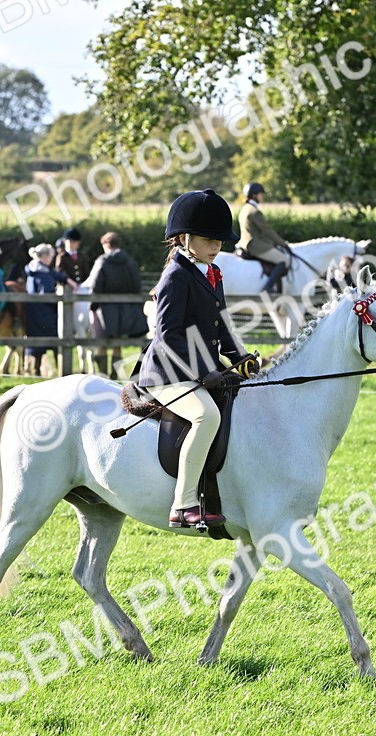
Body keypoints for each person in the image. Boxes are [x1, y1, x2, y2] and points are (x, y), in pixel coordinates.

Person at [138, 188, 260, 529]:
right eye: (209, 239)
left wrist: (240, 358)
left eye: (220, 239)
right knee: (206, 416)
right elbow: (169, 336)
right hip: (168, 374)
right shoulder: (176, 276)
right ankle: (183, 503)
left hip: (199, 371)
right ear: (185, 238)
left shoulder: (210, 272)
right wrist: (204, 371)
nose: (216, 245)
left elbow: (221, 326)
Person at [83, 231, 149, 378]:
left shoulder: (102, 261)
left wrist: (93, 305)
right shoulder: (130, 261)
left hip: (104, 310)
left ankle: (101, 376)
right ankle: (114, 376)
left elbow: (95, 285)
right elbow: (136, 286)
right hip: (126, 310)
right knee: (117, 344)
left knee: (102, 343)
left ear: (106, 244)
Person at [24, 243, 78, 375]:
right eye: (50, 256)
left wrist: (67, 280)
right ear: (45, 256)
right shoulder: (43, 274)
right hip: (44, 312)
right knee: (56, 339)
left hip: (32, 312)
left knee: (36, 342)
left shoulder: (34, 268)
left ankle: (35, 370)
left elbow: (56, 274)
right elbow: (47, 293)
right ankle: (63, 370)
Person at [236, 182, 292, 293]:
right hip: (255, 245)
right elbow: (267, 231)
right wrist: (283, 243)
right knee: (284, 260)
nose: (263, 196)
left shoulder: (245, 209)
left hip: (244, 243)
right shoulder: (254, 212)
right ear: (254, 195)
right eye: (261, 194)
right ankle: (268, 287)